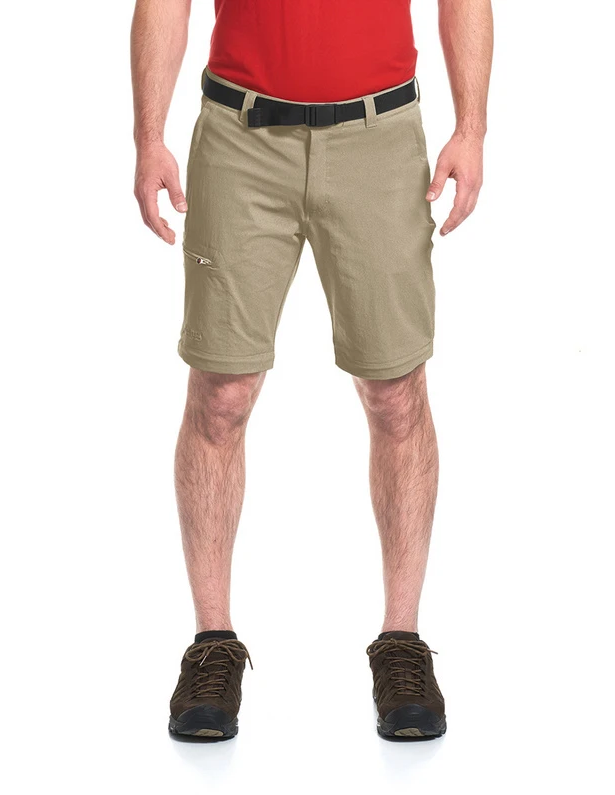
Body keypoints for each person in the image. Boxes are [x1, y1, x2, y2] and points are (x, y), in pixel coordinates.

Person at [131, 0, 493, 740]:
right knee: (220, 392)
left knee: (395, 390)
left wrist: (472, 127)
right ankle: (212, 644)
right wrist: (148, 135)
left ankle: (401, 643)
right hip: (240, 137)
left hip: (378, 137)